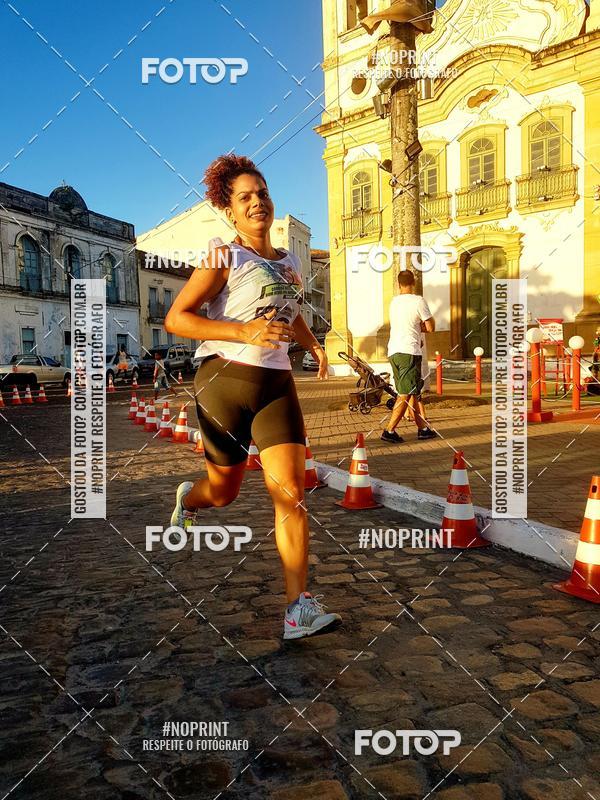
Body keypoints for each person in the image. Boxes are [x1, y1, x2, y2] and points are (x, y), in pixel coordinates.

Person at [164, 154, 341, 640]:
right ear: (230, 210)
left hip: (277, 385)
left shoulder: (289, 261)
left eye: (262, 193)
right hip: (224, 382)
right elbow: (177, 318)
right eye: (245, 197)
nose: (257, 202)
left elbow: (291, 311)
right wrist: (243, 330)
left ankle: (297, 609)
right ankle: (190, 499)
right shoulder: (224, 256)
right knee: (225, 492)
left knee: (291, 494)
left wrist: (313, 345)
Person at [382, 270, 437, 443]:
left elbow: (404, 324)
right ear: (414, 282)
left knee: (413, 390)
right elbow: (430, 327)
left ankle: (423, 429)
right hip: (409, 351)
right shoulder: (418, 301)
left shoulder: (394, 302)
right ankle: (389, 430)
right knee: (405, 393)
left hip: (394, 351)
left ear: (398, 284)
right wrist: (423, 325)